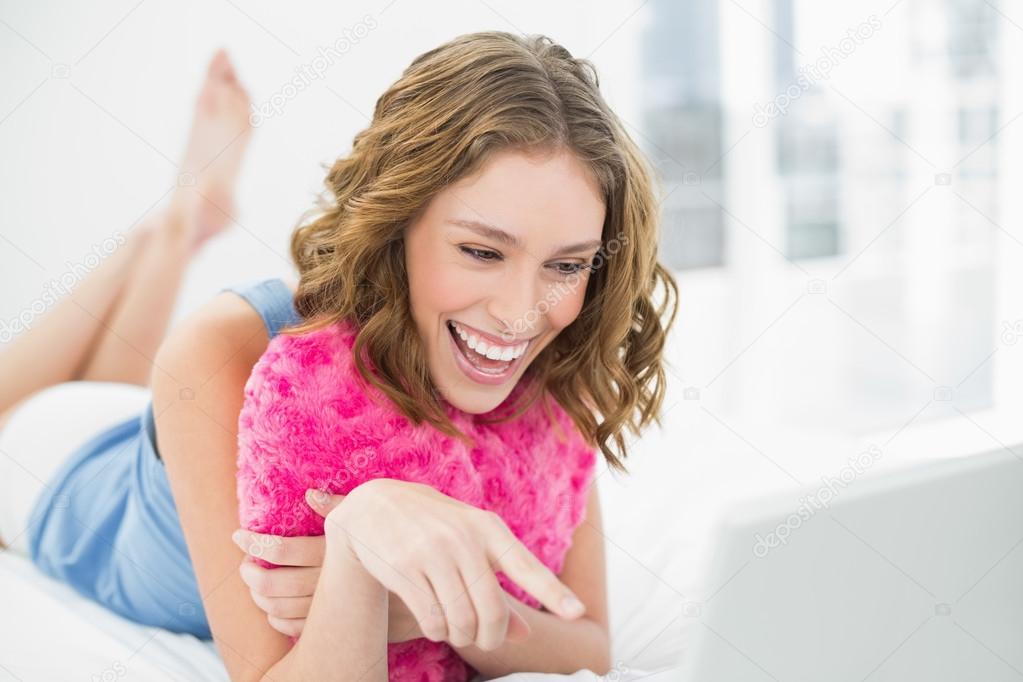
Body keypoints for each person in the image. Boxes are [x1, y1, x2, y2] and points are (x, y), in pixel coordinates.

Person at [0, 32, 679, 681]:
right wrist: (364, 531)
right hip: (67, 473)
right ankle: (173, 227)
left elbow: (588, 639)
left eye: (565, 264)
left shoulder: (554, 372)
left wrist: (441, 612)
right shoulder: (230, 347)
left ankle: (179, 224)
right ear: (397, 223)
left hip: (154, 421)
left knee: (126, 380)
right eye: (480, 251)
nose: (519, 311)